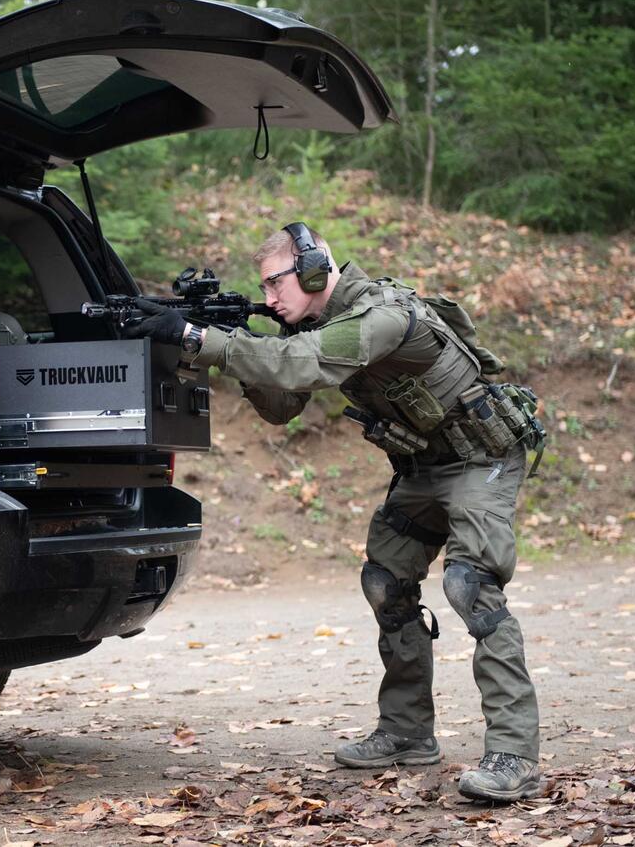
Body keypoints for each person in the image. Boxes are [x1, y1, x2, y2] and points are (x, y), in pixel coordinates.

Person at [122, 222, 543, 802]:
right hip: (424, 469)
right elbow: (279, 405)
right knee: (386, 583)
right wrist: (229, 340)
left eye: (276, 283)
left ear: (317, 269)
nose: (269, 298)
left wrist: (202, 338)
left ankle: (514, 753)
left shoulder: (384, 315)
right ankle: (406, 733)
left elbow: (301, 366)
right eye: (264, 287)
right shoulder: (317, 324)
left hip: (483, 458)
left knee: (471, 587)